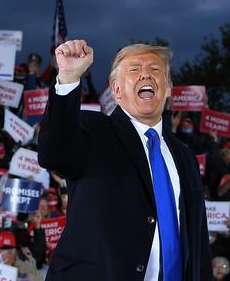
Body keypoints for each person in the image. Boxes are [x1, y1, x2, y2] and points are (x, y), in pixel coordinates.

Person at [38, 40, 211, 280]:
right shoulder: (93, 130)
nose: (145, 75)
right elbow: (54, 152)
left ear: (168, 88)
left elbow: (198, 239)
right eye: (134, 69)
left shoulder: (185, 156)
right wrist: (68, 77)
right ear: (116, 89)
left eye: (155, 69)